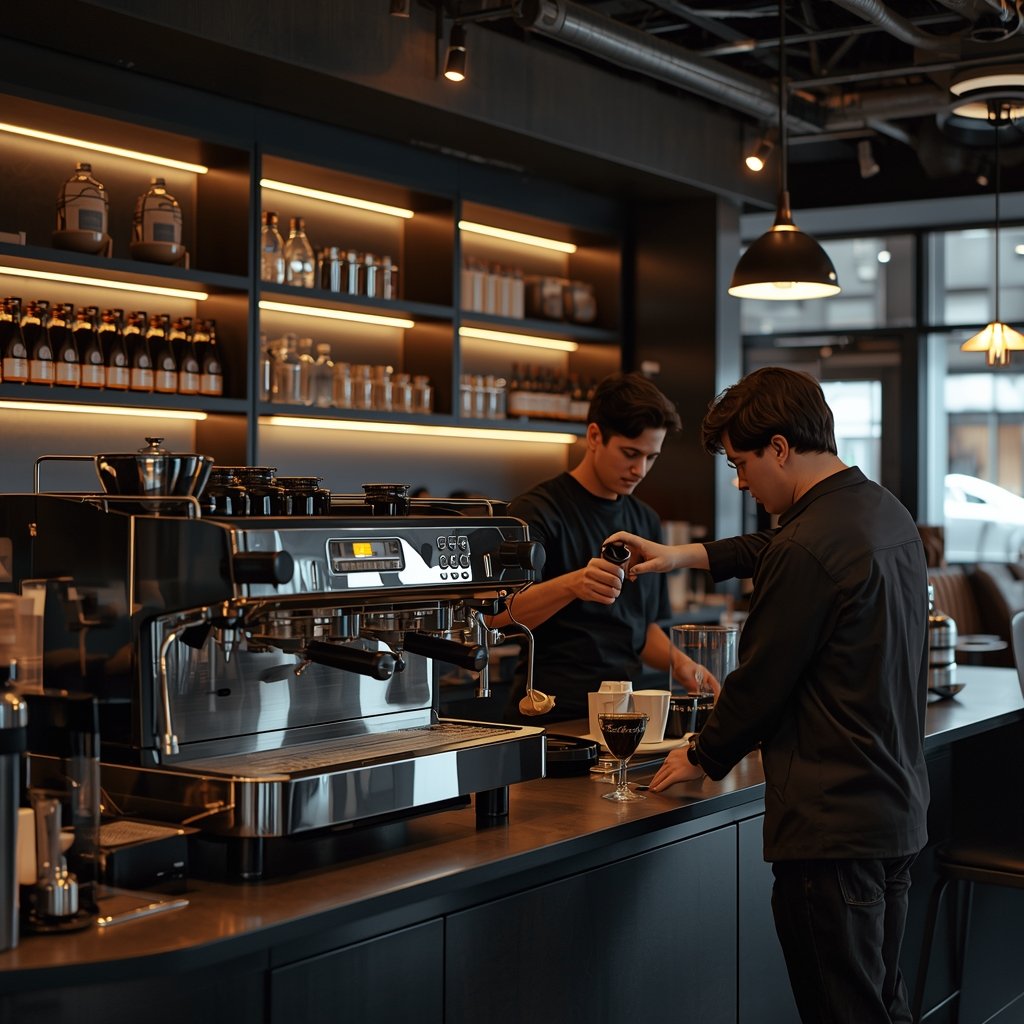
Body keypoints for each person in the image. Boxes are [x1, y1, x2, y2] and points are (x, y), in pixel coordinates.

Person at [606, 367, 930, 1024]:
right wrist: (678, 557)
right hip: (892, 812)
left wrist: (701, 753)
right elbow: (776, 546)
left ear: (780, 448)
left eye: (743, 463)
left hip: (830, 829)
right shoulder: (878, 510)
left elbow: (760, 682)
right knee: (883, 1009)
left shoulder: (808, 545)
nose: (741, 482)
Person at [493, 371, 704, 724]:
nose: (639, 469)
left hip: (622, 712)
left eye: (651, 457)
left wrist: (683, 665)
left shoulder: (645, 520)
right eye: (630, 453)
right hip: (550, 711)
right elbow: (498, 616)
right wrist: (573, 584)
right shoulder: (536, 511)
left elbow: (641, 627)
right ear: (594, 436)